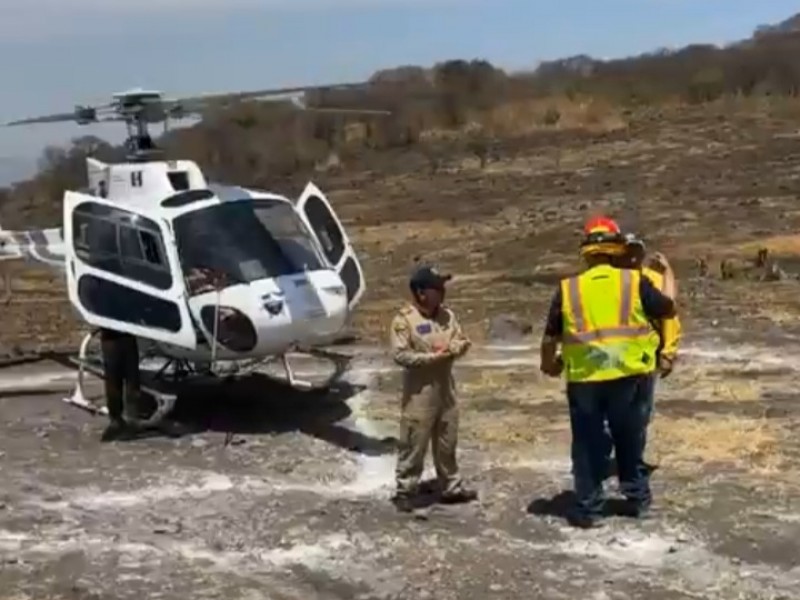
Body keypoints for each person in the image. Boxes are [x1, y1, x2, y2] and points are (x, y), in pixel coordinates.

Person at [539, 216, 677, 528]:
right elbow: (668, 308)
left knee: (587, 443)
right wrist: (668, 274)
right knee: (630, 437)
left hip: (585, 378)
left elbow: (550, 338)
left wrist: (550, 364)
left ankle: (589, 509)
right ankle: (637, 500)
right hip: (630, 375)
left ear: (586, 252)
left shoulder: (568, 289)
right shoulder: (634, 282)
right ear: (615, 248)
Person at [389, 265, 477, 512]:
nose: (442, 291)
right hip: (420, 391)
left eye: (442, 287)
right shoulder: (404, 320)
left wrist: (459, 347)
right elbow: (400, 355)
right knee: (414, 440)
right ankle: (406, 489)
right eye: (436, 288)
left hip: (446, 388)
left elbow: (459, 337)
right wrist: (433, 358)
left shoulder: (447, 316)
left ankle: (451, 486)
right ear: (420, 293)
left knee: (447, 440)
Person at [99, 328, 142, 442]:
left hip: (127, 334)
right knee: (113, 381)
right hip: (111, 337)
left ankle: (131, 420)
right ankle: (116, 420)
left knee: (131, 379)